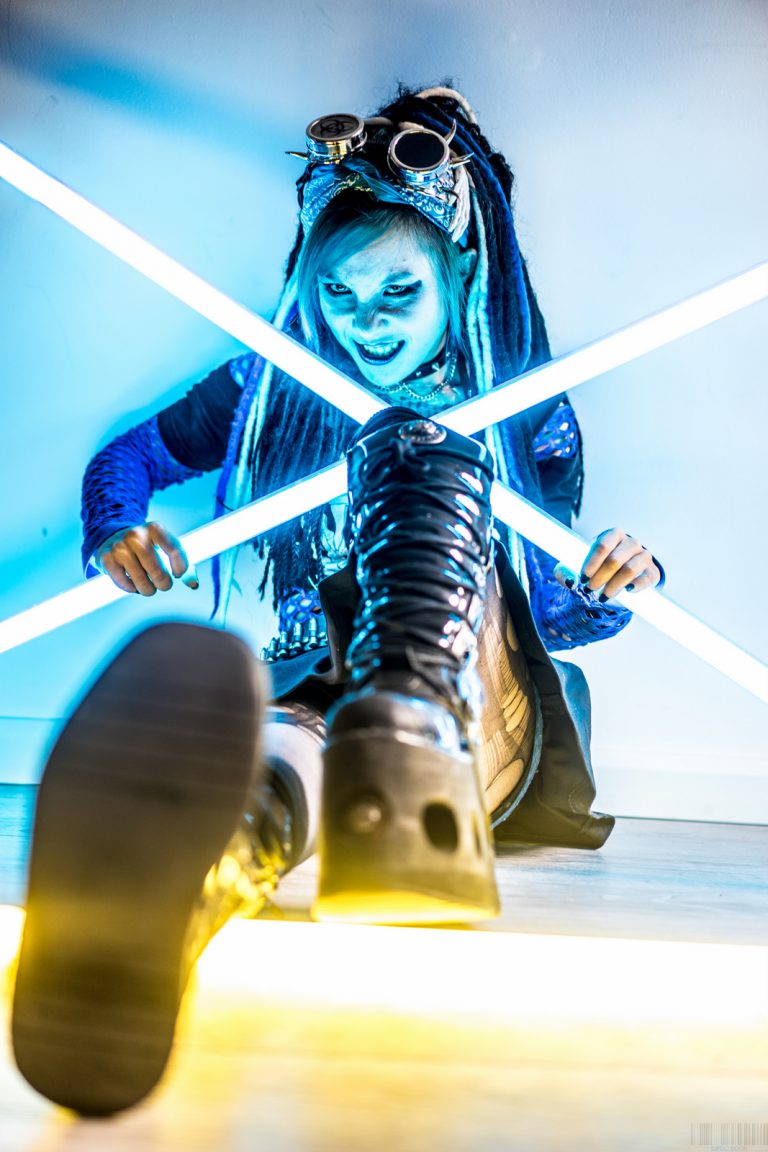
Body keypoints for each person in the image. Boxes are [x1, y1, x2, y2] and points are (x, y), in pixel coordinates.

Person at [11, 85, 663, 1115]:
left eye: (399, 290)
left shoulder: (525, 413)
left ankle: (410, 734)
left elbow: (555, 621)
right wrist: (116, 528)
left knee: (414, 453)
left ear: (461, 274)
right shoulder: (272, 386)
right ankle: (194, 890)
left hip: (483, 711)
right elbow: (131, 457)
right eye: (342, 296)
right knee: (294, 733)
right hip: (335, 692)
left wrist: (610, 586)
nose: (369, 323)